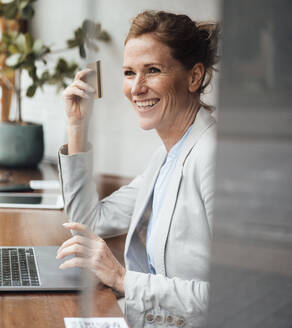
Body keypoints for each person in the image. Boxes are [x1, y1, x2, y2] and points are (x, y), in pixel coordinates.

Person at [56, 10, 219, 328]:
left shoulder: (214, 158)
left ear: (194, 77)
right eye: (129, 73)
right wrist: (77, 126)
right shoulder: (165, 157)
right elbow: (89, 222)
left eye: (153, 70)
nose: (137, 87)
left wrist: (121, 278)